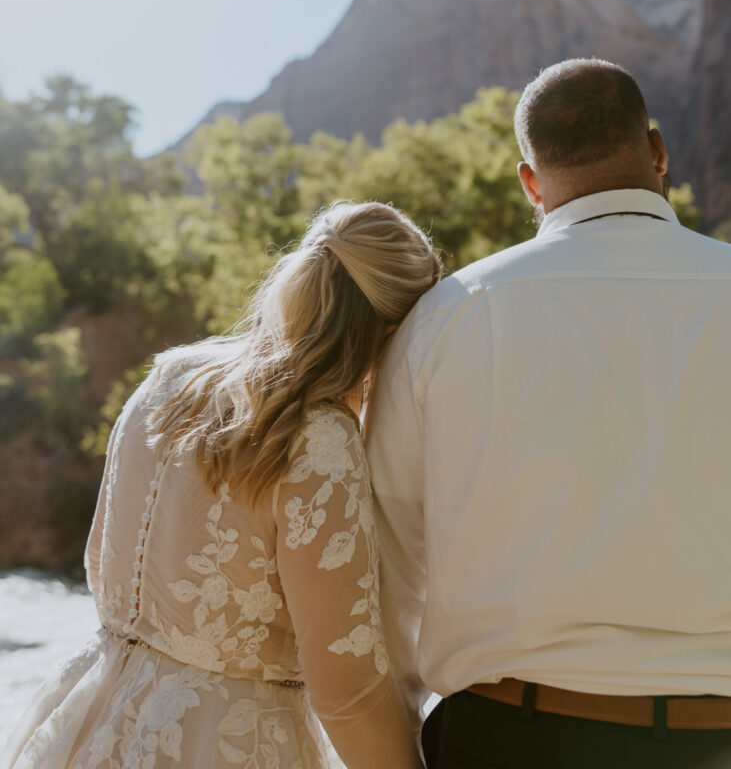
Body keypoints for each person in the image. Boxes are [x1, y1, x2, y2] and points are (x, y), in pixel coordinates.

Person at [366, 58, 731, 768]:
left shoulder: (448, 316)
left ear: (529, 181)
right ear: (656, 151)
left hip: (507, 735)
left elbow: (388, 548)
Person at [1, 200, 441, 769]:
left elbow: (98, 563)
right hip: (227, 741)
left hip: (95, 713)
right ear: (394, 327)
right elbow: (347, 691)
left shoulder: (170, 377)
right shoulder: (319, 439)